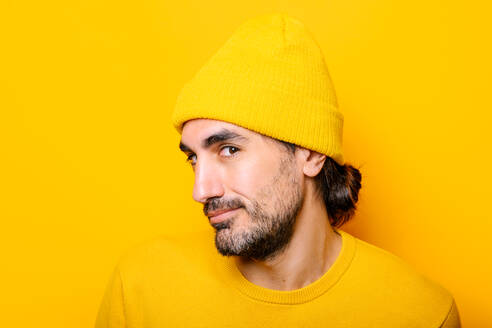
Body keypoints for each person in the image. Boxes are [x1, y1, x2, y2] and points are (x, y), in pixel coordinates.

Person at [95, 12, 461, 327]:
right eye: (193, 157)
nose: (200, 190)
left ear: (311, 155)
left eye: (229, 149)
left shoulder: (422, 314)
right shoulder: (142, 286)